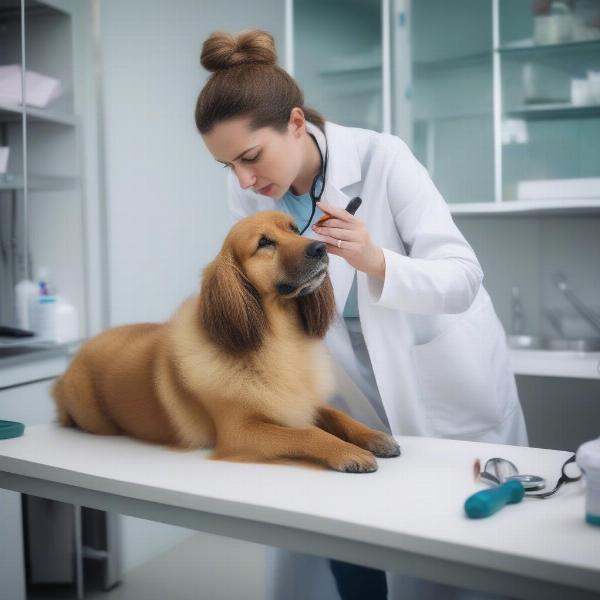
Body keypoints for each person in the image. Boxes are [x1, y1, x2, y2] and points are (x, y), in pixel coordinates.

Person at [194, 29, 528, 600]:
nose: (244, 180)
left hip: (435, 385)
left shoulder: (382, 157)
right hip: (347, 390)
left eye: (250, 157)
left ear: (295, 123)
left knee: (452, 563)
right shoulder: (252, 195)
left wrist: (376, 260)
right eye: (228, 166)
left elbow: (463, 275)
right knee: (349, 546)